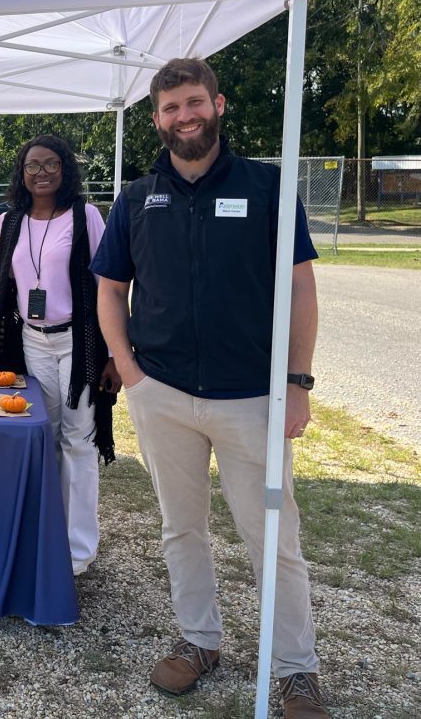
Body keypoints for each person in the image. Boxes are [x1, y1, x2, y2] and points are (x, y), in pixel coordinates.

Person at [92, 58, 326, 718]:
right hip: (162, 396)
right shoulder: (136, 198)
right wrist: (129, 370)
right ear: (158, 119)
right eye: (170, 108)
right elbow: (110, 288)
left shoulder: (268, 186)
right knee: (180, 529)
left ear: (218, 105)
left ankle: (296, 669)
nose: (183, 116)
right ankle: (199, 641)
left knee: (273, 537)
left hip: (255, 396)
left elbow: (301, 285)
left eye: (194, 102)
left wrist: (298, 383)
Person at [0, 134, 119, 577]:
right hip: (31, 342)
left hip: (80, 342)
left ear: (65, 169)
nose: (42, 173)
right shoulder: (8, 222)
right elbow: (0, 286)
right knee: (45, 437)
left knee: (79, 440)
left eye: (51, 164)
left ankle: (78, 551)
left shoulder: (85, 215)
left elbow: (107, 286)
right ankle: (48, 533)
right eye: (33, 165)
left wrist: (115, 352)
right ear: (22, 171)